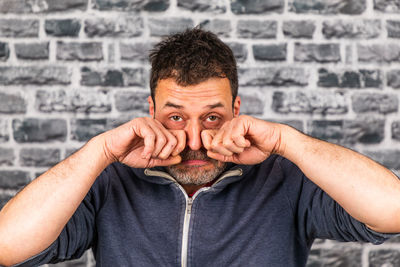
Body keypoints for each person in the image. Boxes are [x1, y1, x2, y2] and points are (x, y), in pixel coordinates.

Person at [0, 28, 399, 267]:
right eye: (175, 117)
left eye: (212, 117)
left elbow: (393, 211)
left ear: (237, 111)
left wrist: (285, 140)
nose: (194, 140)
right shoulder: (110, 180)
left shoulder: (286, 177)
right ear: (151, 110)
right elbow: (7, 247)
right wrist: (100, 151)